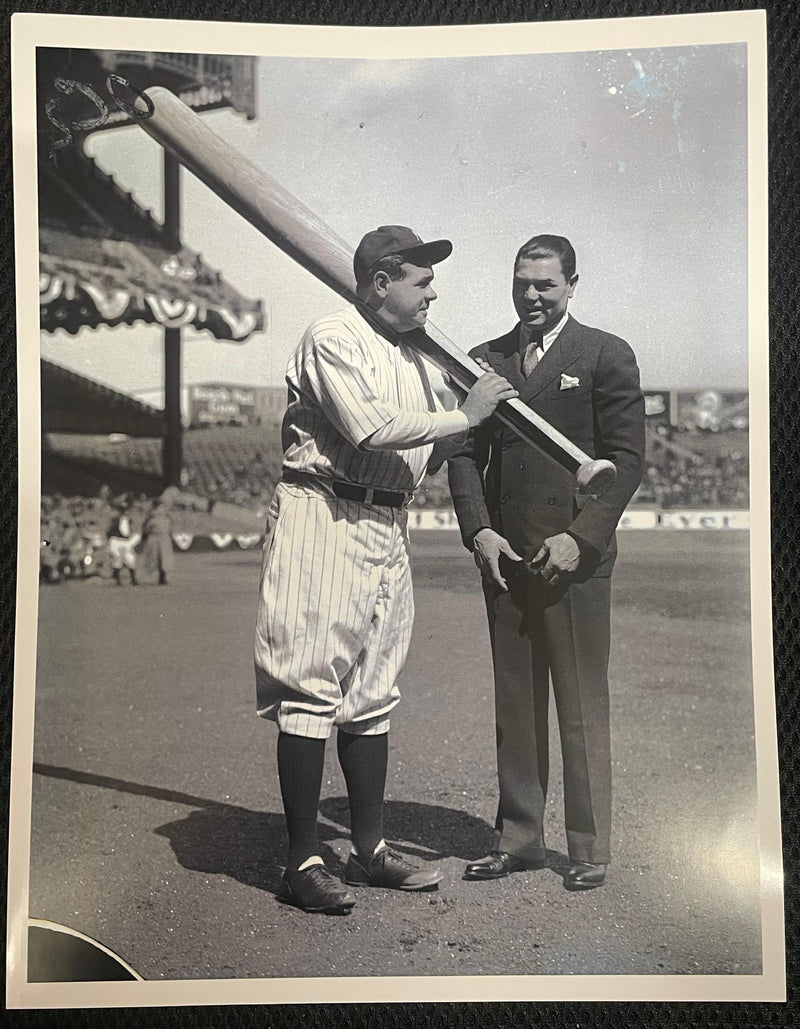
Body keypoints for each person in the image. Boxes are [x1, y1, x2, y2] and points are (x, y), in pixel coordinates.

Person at [254, 225, 518, 915]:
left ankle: (369, 850)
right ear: (380, 284)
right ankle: (303, 861)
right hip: (324, 514)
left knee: (372, 689)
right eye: (421, 280)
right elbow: (370, 427)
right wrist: (463, 412)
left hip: (385, 520)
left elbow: (425, 453)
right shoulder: (332, 336)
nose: (434, 291)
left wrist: (466, 418)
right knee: (311, 684)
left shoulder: (421, 359)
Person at [448, 234, 645, 891]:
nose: (531, 295)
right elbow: (463, 454)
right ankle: (520, 838)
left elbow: (627, 459)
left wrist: (580, 538)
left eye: (545, 285)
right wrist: (479, 531)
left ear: (571, 284)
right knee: (517, 701)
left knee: (582, 703)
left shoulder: (605, 353)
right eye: (521, 282)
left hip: (575, 561)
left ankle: (588, 845)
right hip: (507, 558)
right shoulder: (484, 360)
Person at [139, 497, 174, 586]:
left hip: (164, 539)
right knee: (154, 559)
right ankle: (155, 577)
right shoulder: (151, 517)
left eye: (163, 507)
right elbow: (146, 529)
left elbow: (170, 529)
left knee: (165, 559)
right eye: (160, 507)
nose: (162, 509)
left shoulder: (167, 517)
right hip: (154, 538)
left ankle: (163, 577)